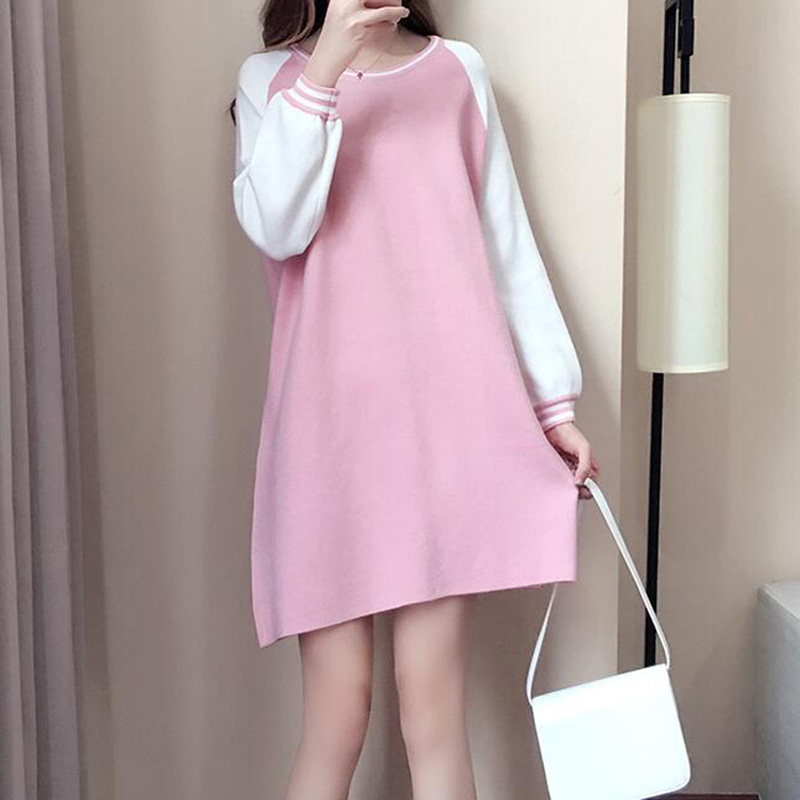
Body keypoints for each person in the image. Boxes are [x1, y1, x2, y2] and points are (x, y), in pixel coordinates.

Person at [232, 1, 599, 797]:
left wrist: (554, 406)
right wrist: (325, 70)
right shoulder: (271, 80)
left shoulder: (457, 70)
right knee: (336, 717)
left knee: (433, 715)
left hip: (446, 431)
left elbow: (504, 243)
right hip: (327, 438)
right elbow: (277, 227)